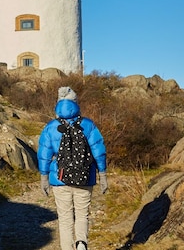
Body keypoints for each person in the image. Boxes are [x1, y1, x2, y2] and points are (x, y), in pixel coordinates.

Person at [37, 87, 108, 250]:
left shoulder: (51, 126)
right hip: (85, 177)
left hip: (59, 178)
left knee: (65, 218)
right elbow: (99, 150)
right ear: (75, 103)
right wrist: (102, 174)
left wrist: (44, 177)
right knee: (82, 215)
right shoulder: (88, 124)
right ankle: (82, 243)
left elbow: (44, 154)